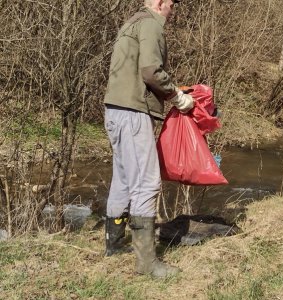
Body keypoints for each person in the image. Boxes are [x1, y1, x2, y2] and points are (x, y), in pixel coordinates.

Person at [103, 0, 194, 278]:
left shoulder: (130, 23)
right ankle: (146, 264)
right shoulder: (152, 24)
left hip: (115, 110)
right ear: (160, 3)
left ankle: (115, 244)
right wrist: (177, 96)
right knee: (146, 182)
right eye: (171, 5)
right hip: (133, 112)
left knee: (123, 178)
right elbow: (151, 70)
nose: (173, 10)